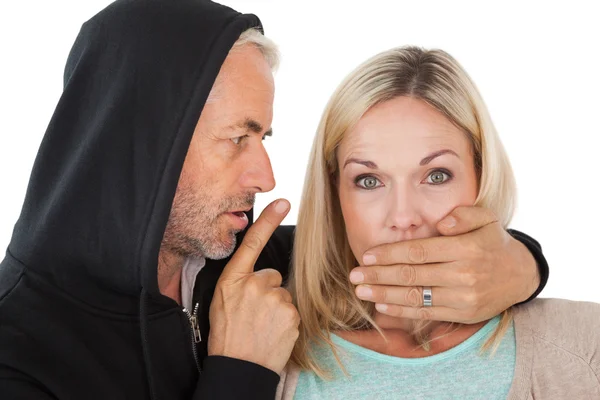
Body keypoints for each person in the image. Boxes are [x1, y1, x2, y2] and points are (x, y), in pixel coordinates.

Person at [0, 1, 548, 399]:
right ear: (145, 143)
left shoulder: (247, 259)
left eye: (265, 138)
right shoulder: (17, 355)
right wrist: (239, 373)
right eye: (238, 138)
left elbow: (357, 247)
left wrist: (521, 264)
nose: (266, 176)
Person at [275, 46, 600, 399]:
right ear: (334, 193)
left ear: (481, 173)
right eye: (369, 180)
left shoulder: (584, 347)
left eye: (436, 175)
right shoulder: (271, 355)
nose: (402, 218)